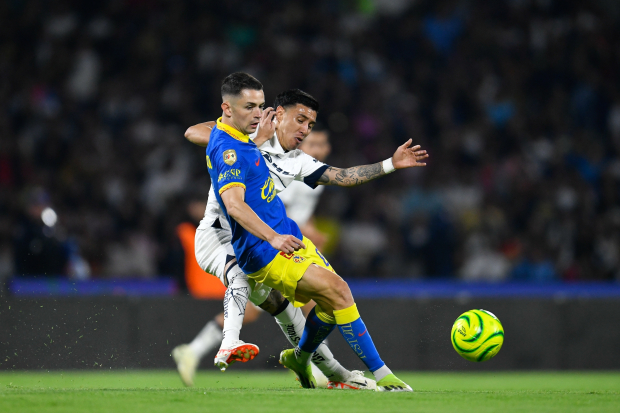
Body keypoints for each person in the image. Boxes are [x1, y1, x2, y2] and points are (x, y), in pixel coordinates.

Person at [207, 72, 427, 392]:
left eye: (310, 125)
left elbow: (343, 175)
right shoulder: (237, 143)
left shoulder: (295, 160)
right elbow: (207, 147)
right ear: (277, 114)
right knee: (339, 291)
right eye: (300, 120)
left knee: (328, 304)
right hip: (262, 246)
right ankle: (382, 374)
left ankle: (300, 359)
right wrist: (272, 236)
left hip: (290, 235)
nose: (305, 130)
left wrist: (389, 164)